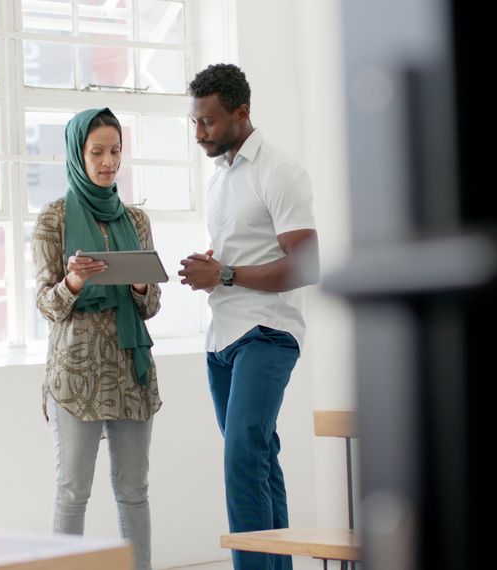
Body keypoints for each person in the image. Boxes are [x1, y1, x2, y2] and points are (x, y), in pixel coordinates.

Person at [178, 63, 319, 570]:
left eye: (208, 122)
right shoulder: (220, 179)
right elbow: (236, 255)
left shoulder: (279, 172)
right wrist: (210, 268)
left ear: (242, 113)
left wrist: (226, 274)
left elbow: (306, 264)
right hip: (222, 336)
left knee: (241, 456)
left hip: (267, 333)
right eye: (194, 122)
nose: (199, 133)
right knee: (257, 457)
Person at [31, 107, 161, 570]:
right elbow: (45, 305)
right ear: (76, 154)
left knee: (134, 491)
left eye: (115, 151)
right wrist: (72, 283)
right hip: (77, 373)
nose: (108, 162)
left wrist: (142, 285)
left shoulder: (136, 219)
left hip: (129, 368)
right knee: (72, 491)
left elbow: (150, 307)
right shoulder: (55, 219)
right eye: (97, 152)